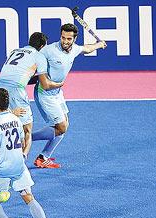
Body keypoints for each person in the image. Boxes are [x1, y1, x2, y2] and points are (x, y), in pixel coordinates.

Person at [0, 88, 55, 218]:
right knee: (29, 198)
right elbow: (23, 141)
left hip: (2, 169)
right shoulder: (15, 119)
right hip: (19, 166)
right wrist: (21, 155)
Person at [32, 23, 107, 168]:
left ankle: (43, 157)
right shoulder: (48, 50)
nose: (65, 41)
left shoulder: (75, 49)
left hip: (57, 93)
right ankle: (27, 138)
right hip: (45, 93)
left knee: (64, 125)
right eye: (63, 37)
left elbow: (87, 48)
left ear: (74, 39)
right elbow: (34, 62)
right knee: (61, 127)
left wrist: (99, 45)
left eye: (69, 39)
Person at [0, 32, 64, 159]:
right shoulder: (39, 56)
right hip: (17, 91)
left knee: (3, 122)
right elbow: (45, 85)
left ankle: (2, 157)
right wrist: (58, 84)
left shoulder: (15, 51)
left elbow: (21, 75)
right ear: (43, 46)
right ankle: (19, 163)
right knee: (26, 131)